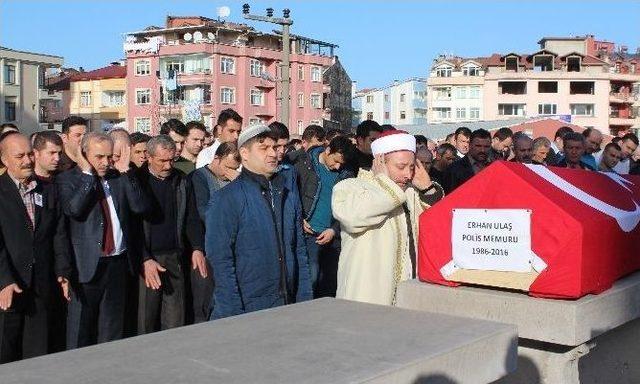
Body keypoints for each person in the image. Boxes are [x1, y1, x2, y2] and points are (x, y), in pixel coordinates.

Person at [205, 125, 313, 319]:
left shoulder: (287, 195)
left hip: (286, 305)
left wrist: (305, 300)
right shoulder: (227, 199)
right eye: (264, 148)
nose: (273, 153)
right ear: (244, 154)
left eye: (274, 147)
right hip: (247, 308)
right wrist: (233, 314)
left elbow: (299, 251)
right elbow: (220, 261)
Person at [57, 132, 148, 349]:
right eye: (99, 157)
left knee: (112, 328)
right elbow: (74, 209)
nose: (105, 163)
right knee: (81, 329)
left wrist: (126, 172)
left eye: (109, 157)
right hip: (86, 266)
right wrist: (88, 175)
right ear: (84, 153)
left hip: (117, 263)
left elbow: (140, 207)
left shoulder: (117, 178)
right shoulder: (68, 179)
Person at [332, 130, 444, 305]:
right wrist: (384, 182)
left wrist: (428, 190)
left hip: (407, 297)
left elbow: (438, 225)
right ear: (380, 161)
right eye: (401, 167)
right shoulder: (350, 187)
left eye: (412, 167)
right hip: (366, 299)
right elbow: (354, 217)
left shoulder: (411, 193)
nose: (408, 174)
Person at [0, 134, 71, 362]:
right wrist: (4, 280)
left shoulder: (47, 190)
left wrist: (62, 271)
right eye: (19, 156)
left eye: (29, 154)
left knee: (38, 352)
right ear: (4, 159)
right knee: (6, 350)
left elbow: (58, 234)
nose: (27, 161)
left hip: (41, 285)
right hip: (8, 288)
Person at [135, 135, 204, 332]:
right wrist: (144, 258)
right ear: (149, 157)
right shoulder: (137, 181)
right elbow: (132, 226)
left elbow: (192, 217)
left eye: (172, 160)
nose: (167, 166)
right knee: (146, 318)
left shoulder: (181, 181)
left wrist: (197, 247)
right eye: (162, 161)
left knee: (175, 318)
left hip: (174, 256)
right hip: (148, 260)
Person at [290, 136, 355, 297]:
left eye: (342, 163)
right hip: (308, 234)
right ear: (327, 150)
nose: (337, 166)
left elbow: (348, 208)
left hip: (333, 238)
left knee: (330, 284)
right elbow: (292, 195)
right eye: (335, 160)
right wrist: (299, 218)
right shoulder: (304, 165)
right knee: (310, 279)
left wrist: (334, 230)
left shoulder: (347, 174)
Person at [189, 142, 240, 322]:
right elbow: (203, 212)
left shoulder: (236, 179)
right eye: (227, 167)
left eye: (234, 169)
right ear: (216, 159)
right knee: (206, 300)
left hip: (230, 248)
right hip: (207, 248)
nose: (229, 173)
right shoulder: (199, 178)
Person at [442, 129, 492, 194]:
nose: (482, 150)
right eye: (478, 146)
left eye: (486, 146)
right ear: (470, 145)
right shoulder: (454, 169)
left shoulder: (495, 167)